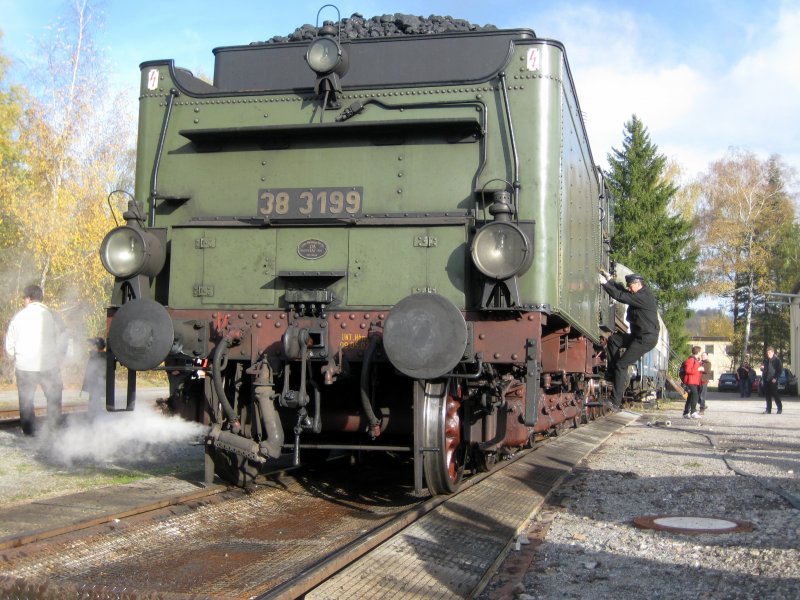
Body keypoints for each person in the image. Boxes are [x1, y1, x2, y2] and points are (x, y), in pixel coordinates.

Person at [4, 284, 67, 435]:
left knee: (26, 402)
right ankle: (54, 428)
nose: (22, 302)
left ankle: (29, 432)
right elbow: (64, 338)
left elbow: (9, 348)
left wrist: (14, 357)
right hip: (49, 365)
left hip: (25, 366)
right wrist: (59, 357)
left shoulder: (18, 317)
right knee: (54, 398)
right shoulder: (52, 315)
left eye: (24, 298)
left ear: (29, 298)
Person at [599, 270, 659, 410]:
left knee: (622, 364)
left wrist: (604, 285)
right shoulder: (638, 293)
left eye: (630, 285)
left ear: (638, 284)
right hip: (638, 335)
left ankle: (615, 402)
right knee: (614, 340)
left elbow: (621, 296)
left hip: (646, 338)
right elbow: (623, 290)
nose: (628, 288)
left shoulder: (644, 297)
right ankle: (611, 373)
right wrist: (610, 280)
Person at [81, 336, 107, 417]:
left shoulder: (97, 357)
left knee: (94, 403)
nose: (90, 347)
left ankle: (94, 419)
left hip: (95, 386)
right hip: (96, 386)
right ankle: (95, 418)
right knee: (95, 402)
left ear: (96, 346)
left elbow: (92, 373)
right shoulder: (102, 356)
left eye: (92, 345)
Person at [681, 346, 703, 419]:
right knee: (695, 396)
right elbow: (688, 370)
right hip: (690, 381)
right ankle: (693, 412)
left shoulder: (695, 360)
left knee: (690, 397)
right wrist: (698, 369)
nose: (701, 353)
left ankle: (686, 413)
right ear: (698, 352)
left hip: (694, 381)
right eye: (700, 352)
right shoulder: (691, 360)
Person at [760, 346, 783, 414]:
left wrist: (775, 378)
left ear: (773, 352)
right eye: (767, 353)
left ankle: (779, 408)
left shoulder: (777, 360)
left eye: (769, 353)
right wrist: (761, 368)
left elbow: (780, 371)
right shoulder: (765, 360)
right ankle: (768, 409)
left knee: (775, 394)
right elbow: (763, 369)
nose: (768, 354)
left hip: (773, 380)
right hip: (766, 379)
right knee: (767, 395)